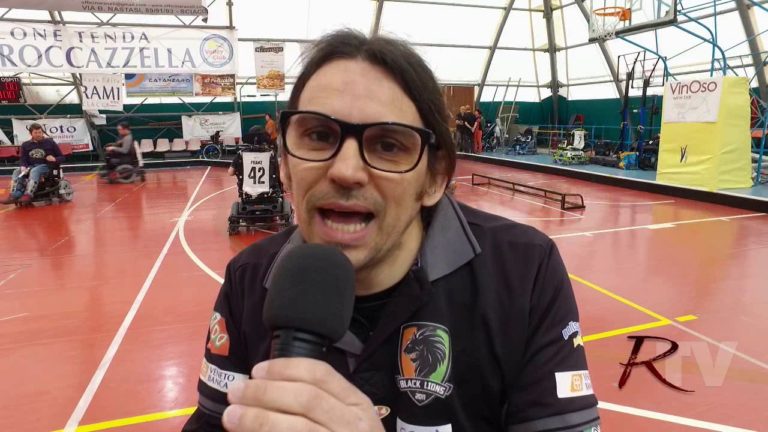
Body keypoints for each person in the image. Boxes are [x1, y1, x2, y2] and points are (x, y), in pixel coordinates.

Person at [183, 29, 599, 432]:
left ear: (434, 178)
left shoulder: (524, 273)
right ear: (286, 166)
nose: (346, 171)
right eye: (319, 135)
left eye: (387, 145)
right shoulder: (248, 279)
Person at [1, 123, 64, 205]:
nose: (38, 134)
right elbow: (23, 158)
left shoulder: (50, 142)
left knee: (35, 170)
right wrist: (23, 166)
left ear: (42, 132)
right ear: (30, 133)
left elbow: (62, 157)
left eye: (40, 132)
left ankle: (28, 194)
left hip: (47, 167)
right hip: (31, 166)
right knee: (17, 171)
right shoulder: (25, 145)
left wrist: (54, 159)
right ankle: (14, 195)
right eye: (36, 133)